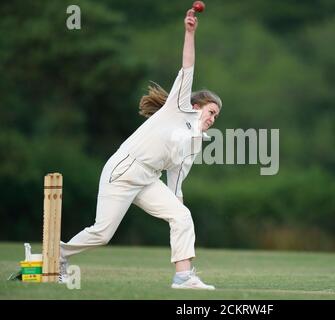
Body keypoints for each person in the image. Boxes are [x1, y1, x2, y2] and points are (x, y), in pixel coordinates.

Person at [59, 8, 221, 290]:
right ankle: (57, 256)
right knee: (102, 234)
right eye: (211, 111)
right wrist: (190, 32)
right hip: (124, 169)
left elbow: (176, 179)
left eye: (216, 116)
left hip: (149, 178)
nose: (212, 118)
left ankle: (183, 278)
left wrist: (175, 208)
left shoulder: (196, 141)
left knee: (182, 215)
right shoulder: (178, 107)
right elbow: (188, 67)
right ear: (196, 107)